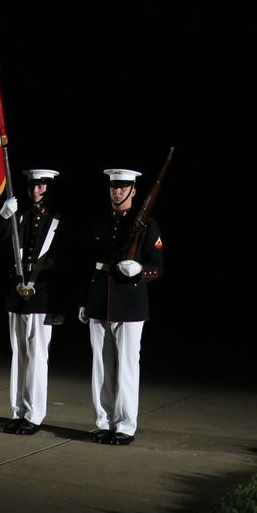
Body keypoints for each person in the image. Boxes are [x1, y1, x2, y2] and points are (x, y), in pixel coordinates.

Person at [77, 168, 164, 447]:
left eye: (123, 187)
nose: (117, 192)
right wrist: (83, 300)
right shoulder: (100, 223)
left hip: (130, 303)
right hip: (100, 299)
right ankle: (104, 422)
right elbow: (87, 265)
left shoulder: (148, 226)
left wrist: (140, 269)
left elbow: (158, 267)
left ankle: (126, 425)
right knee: (102, 367)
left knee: (127, 367)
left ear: (134, 191)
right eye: (114, 187)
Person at [0, 168, 71, 436]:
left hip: (42, 296)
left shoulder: (58, 221)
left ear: (49, 188)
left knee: (36, 357)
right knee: (19, 356)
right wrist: (3, 217)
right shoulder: (20, 217)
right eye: (32, 187)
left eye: (41, 186)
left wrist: (59, 305)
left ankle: (34, 415)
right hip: (17, 295)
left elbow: (64, 264)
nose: (35, 191)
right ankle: (18, 411)